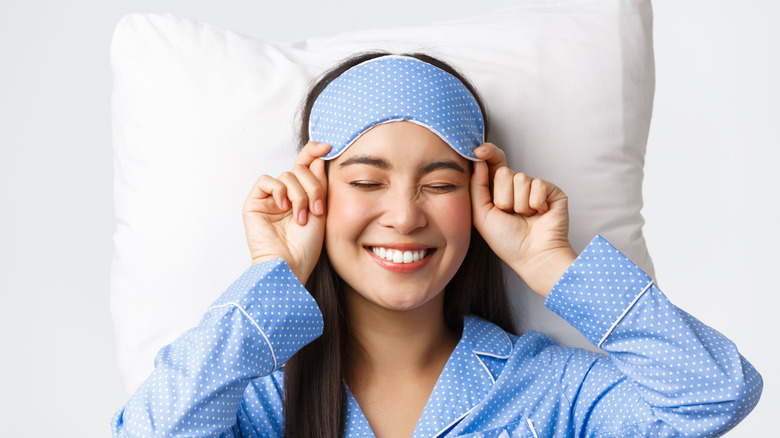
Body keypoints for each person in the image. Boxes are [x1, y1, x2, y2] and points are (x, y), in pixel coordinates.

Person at [112, 52, 762, 437]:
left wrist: (553, 265)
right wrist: (274, 274)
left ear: (478, 200)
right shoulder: (254, 399)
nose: (403, 215)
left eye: (440, 182)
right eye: (366, 180)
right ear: (317, 192)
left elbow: (713, 395)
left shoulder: (551, 390)